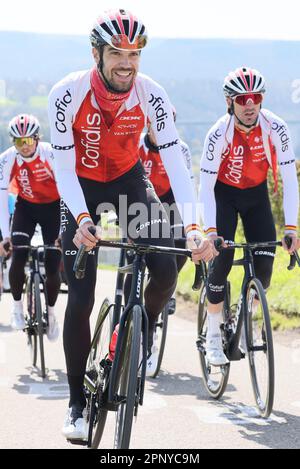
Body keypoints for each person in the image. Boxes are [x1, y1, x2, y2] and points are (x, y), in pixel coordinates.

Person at [48, 9, 213, 441]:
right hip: (80, 188)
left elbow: (176, 160)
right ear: (97, 54)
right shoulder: (67, 93)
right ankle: (76, 404)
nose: (127, 62)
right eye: (117, 53)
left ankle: (138, 333)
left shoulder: (150, 93)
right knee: (80, 297)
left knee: (164, 269)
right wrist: (82, 219)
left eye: (134, 53)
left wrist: (194, 226)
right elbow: (63, 169)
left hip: (127, 183)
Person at [196, 67, 299, 367]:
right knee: (222, 260)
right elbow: (205, 185)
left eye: (255, 97)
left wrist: (291, 227)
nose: (250, 104)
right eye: (243, 98)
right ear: (230, 102)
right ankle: (214, 333)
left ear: (262, 99)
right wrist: (211, 231)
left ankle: (245, 315)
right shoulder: (218, 134)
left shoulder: (275, 127)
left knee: (264, 266)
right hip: (223, 196)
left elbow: (289, 179)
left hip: (256, 196)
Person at [124, 109, 196, 313]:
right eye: (157, 124)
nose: (163, 129)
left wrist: (193, 227)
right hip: (139, 199)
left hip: (168, 198)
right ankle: (129, 316)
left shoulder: (180, 149)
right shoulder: (135, 144)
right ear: (147, 124)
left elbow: (188, 185)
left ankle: (168, 288)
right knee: (136, 256)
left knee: (181, 243)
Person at [0, 114, 62, 340]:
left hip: (54, 208)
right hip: (26, 208)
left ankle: (52, 313)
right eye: (18, 142)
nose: (23, 146)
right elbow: (2, 196)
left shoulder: (51, 153)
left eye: (27, 141)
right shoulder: (7, 159)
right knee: (17, 255)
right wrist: (5, 236)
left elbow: (66, 191)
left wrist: (64, 229)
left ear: (37, 138)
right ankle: (16, 307)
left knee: (54, 265)